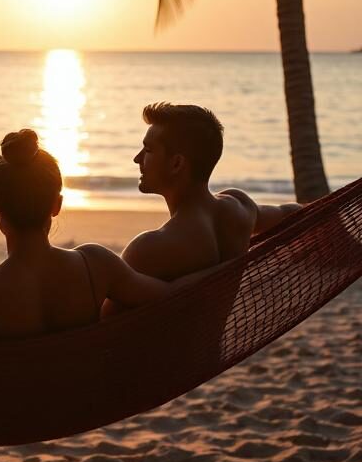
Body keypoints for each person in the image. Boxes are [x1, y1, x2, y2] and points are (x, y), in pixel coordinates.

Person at [0, 129, 185, 342]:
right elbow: (171, 295)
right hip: (84, 399)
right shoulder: (95, 264)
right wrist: (220, 273)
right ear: (57, 204)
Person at [102, 103, 301, 316]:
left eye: (148, 150)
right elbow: (293, 214)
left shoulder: (150, 247)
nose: (137, 158)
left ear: (176, 164)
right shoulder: (239, 208)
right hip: (210, 348)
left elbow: (105, 322)